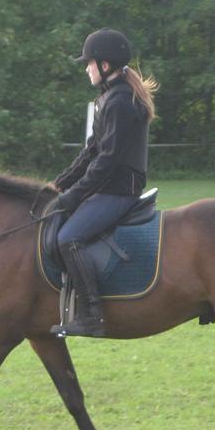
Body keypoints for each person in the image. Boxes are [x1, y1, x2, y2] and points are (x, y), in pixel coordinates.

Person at [49, 28, 158, 338]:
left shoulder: (120, 102)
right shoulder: (108, 98)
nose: (86, 68)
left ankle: (91, 315)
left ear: (105, 65)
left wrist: (72, 197)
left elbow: (106, 161)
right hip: (108, 186)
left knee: (68, 237)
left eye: (89, 63)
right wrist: (58, 186)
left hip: (119, 190)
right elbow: (91, 152)